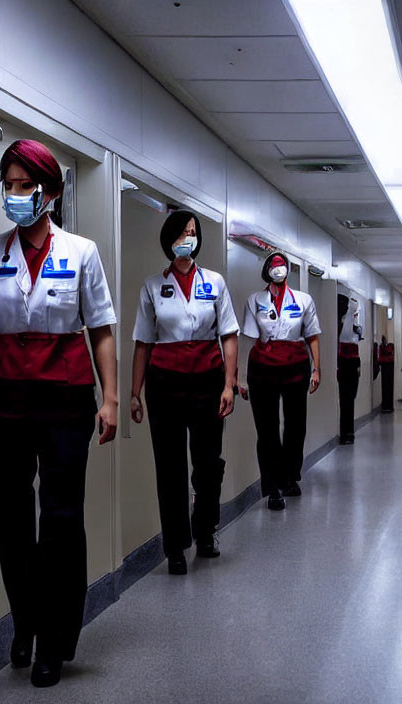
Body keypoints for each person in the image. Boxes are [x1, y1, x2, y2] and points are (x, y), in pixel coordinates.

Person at [0, 139, 118, 688]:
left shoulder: (82, 252)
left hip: (66, 400)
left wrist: (112, 398)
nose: (17, 195)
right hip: (3, 403)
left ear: (51, 192)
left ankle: (54, 640)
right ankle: (24, 621)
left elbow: (100, 330)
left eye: (28, 186)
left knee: (63, 521)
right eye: (11, 185)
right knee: (11, 523)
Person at [129, 210, 239, 576]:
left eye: (192, 233)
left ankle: (205, 530)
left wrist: (229, 384)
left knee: (208, 464)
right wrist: (134, 392)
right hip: (165, 386)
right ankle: (175, 546)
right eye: (181, 233)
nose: (187, 239)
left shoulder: (215, 283)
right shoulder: (151, 286)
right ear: (169, 240)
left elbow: (229, 336)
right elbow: (143, 343)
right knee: (170, 467)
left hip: (208, 381)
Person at [237, 252, 321, 511]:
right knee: (268, 430)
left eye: (282, 265)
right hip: (262, 368)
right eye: (274, 266)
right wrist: (240, 377)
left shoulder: (303, 300)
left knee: (296, 427)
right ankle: (272, 487)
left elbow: (312, 336)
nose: (279, 269)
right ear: (266, 270)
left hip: (296, 366)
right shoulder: (255, 300)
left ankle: (290, 477)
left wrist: (317, 369)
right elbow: (248, 339)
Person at [337, 294, 363, 444]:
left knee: (348, 400)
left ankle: (348, 432)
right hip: (346, 364)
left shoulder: (352, 328)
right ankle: (347, 433)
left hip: (351, 364)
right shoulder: (344, 327)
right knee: (347, 400)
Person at [377, 335, 395, 413]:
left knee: (385, 386)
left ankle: (386, 406)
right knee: (389, 386)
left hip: (385, 366)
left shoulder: (382, 348)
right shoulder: (388, 348)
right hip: (389, 366)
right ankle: (389, 406)